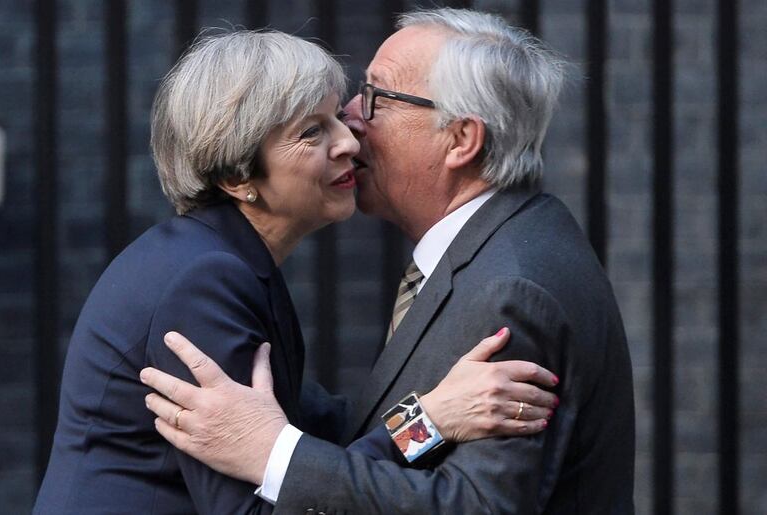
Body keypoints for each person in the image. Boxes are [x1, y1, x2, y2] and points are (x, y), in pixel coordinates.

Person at [33, 29, 558, 514]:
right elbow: (261, 504)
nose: (349, 141)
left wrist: (436, 408)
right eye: (312, 132)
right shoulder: (203, 282)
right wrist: (430, 422)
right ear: (239, 175)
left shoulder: (220, 259)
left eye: (336, 116)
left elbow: (321, 431)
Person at [140, 8, 636, 514]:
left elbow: (475, 505)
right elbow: (377, 430)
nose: (351, 119)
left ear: (461, 139)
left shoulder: (509, 292)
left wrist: (275, 456)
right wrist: (429, 417)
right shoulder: (506, 245)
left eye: (378, 97)